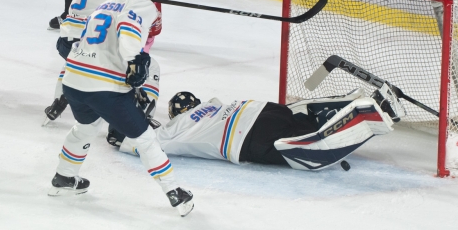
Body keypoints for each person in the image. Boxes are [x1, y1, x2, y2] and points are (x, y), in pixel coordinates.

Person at [49, 0, 194, 217]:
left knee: (85, 128)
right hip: (103, 87)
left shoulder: (106, 3)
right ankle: (175, 194)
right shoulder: (143, 5)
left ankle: (64, 177)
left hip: (72, 81)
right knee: (145, 139)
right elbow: (129, 31)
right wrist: (135, 59)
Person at [114, 88, 399, 170]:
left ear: (177, 113)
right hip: (265, 109)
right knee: (304, 120)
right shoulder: (214, 102)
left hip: (249, 137)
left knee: (303, 149)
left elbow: (137, 139)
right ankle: (370, 101)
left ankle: (365, 117)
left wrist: (116, 131)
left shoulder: (175, 127)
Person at [44, 0, 145, 123]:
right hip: (89, 43)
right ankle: (128, 114)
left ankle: (58, 101)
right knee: (126, 67)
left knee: (73, 61)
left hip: (65, 41)